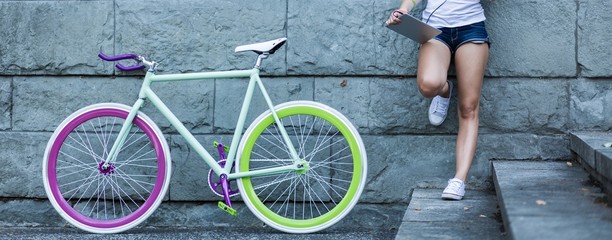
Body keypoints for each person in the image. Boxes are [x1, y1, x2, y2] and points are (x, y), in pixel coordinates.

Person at [386, 0, 490, 200]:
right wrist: (404, 10)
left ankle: (459, 180)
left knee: (469, 107)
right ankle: (444, 91)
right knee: (428, 85)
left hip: (472, 27)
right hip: (435, 28)